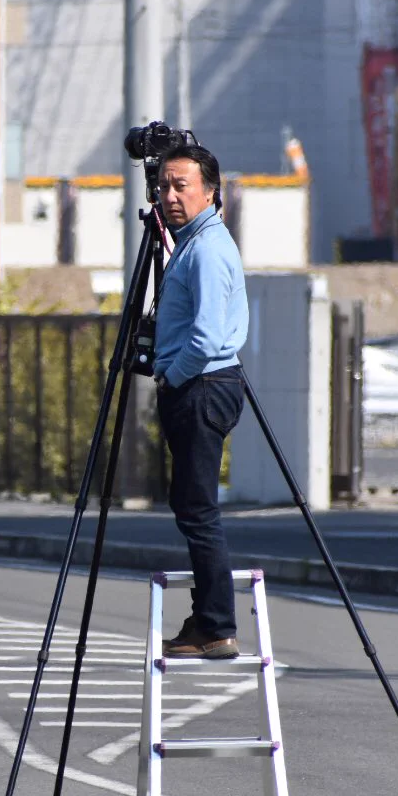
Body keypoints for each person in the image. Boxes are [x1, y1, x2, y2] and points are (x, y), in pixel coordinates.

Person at [150, 144, 249, 659]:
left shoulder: (207, 248)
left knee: (198, 509)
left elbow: (208, 337)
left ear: (211, 192)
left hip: (203, 384)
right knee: (192, 505)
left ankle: (215, 623)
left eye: (181, 185)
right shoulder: (193, 243)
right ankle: (205, 620)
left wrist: (171, 378)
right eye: (164, 185)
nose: (169, 196)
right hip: (206, 385)